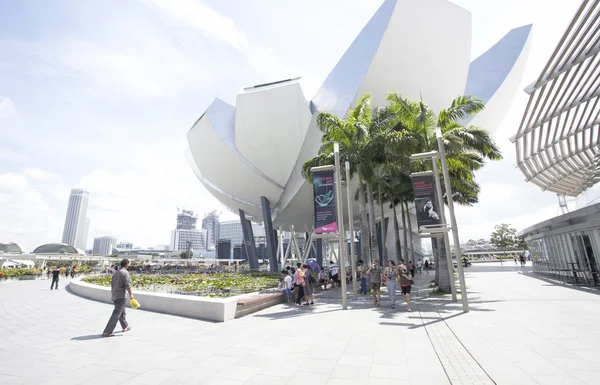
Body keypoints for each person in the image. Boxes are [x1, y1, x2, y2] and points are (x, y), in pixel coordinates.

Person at [101, 259, 134, 337]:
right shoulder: (125, 273)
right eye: (128, 264)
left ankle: (125, 326)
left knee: (121, 312)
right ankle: (107, 331)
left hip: (115, 295)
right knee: (116, 313)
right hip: (121, 296)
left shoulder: (116, 273)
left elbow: (112, 285)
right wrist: (131, 294)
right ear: (126, 265)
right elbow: (127, 285)